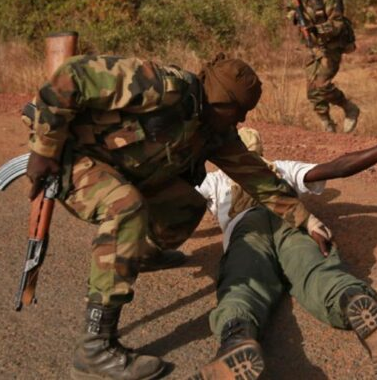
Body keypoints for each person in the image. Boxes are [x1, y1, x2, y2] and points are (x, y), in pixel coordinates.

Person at [24, 53, 332, 380]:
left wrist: (306, 220)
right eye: (237, 111)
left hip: (124, 168)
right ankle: (95, 347)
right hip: (72, 159)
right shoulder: (160, 85)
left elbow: (257, 177)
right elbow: (72, 75)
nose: (240, 120)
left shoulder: (214, 131)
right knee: (125, 207)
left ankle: (139, 253)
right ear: (218, 100)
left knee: (185, 204)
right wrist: (44, 150)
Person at [193, 111, 377, 380]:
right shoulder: (280, 167)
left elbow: (174, 199)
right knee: (318, 272)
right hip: (293, 221)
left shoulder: (216, 179)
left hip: (247, 229)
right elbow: (339, 166)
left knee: (242, 284)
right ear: (260, 151)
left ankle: (237, 335)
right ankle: (350, 299)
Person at [288, 0, 360, 133]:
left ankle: (349, 107)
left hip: (331, 45)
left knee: (322, 84)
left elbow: (337, 23)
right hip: (311, 45)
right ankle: (327, 124)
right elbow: (290, 10)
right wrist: (295, 17)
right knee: (311, 90)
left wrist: (316, 28)